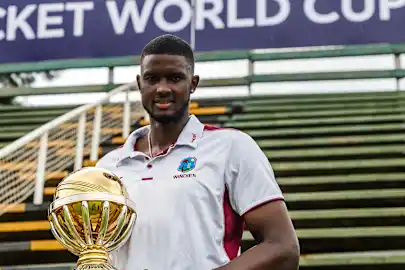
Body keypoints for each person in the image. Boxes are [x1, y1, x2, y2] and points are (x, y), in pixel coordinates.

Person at [95, 34, 300, 270]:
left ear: (193, 83)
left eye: (175, 78)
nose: (162, 88)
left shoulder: (231, 147)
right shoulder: (107, 167)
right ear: (140, 84)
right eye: (152, 79)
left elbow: (283, 247)